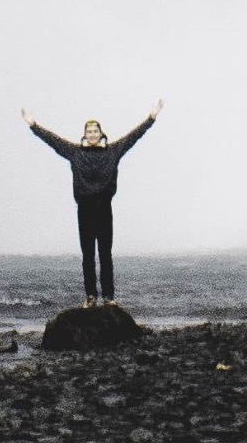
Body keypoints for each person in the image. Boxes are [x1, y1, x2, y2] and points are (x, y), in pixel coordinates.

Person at [22, 99, 160, 306]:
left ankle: (109, 297)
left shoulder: (112, 151)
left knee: (105, 254)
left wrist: (151, 119)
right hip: (84, 208)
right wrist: (33, 125)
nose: (93, 134)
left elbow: (134, 137)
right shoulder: (75, 152)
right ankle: (91, 296)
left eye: (96, 131)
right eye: (89, 131)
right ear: (85, 135)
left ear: (101, 133)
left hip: (104, 207)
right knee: (88, 254)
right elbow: (53, 140)